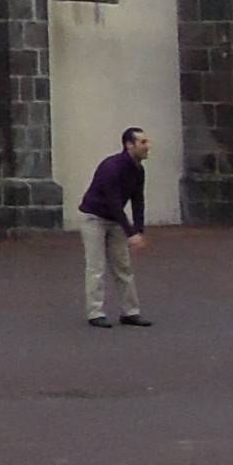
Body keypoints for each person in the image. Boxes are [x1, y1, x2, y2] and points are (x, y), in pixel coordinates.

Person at [80, 127, 150, 328]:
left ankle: (131, 312)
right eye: (143, 142)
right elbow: (113, 201)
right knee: (96, 267)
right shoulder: (112, 167)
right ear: (129, 144)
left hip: (116, 220)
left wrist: (139, 230)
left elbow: (138, 200)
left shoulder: (138, 170)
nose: (148, 147)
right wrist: (130, 232)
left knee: (124, 266)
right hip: (94, 218)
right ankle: (95, 313)